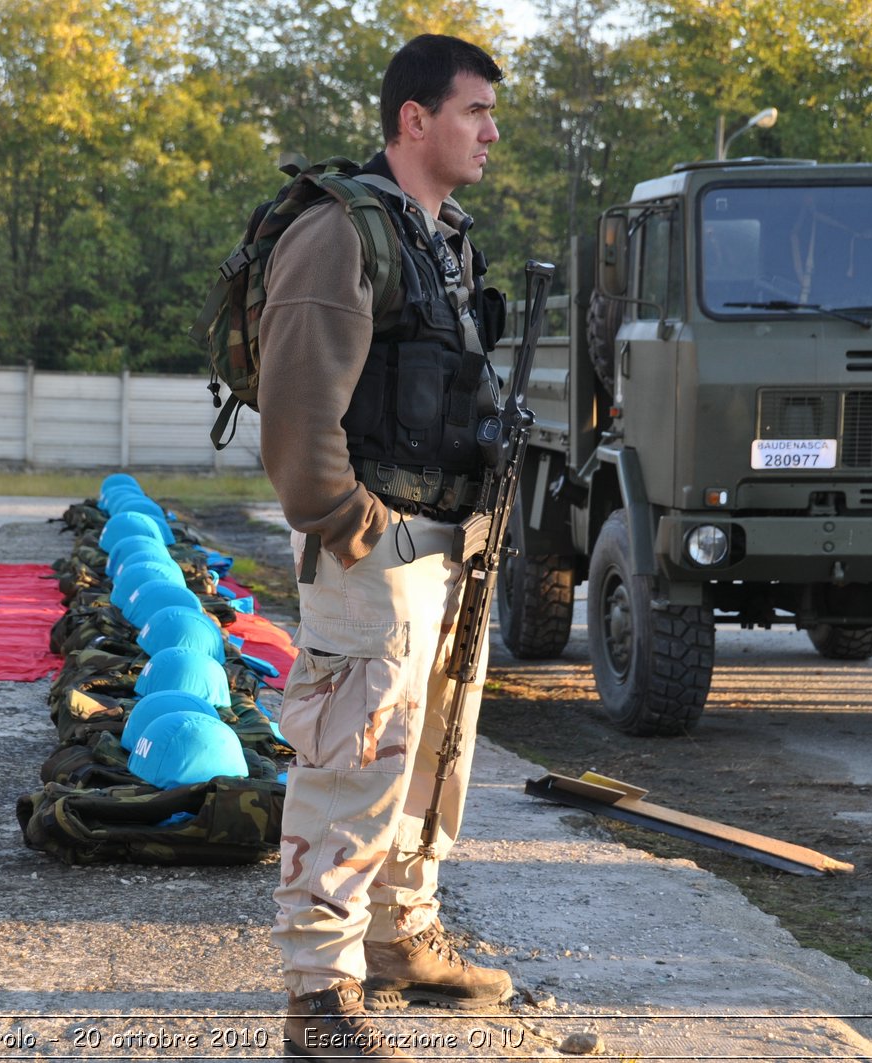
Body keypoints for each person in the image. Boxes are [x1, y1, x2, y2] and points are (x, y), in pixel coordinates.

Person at [257, 34, 514, 1060]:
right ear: (415, 119)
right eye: (474, 113)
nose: (490, 133)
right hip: (374, 547)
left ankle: (403, 934)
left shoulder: (441, 235)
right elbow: (297, 410)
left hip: (445, 542)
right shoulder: (341, 232)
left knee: (434, 756)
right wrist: (346, 522)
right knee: (351, 760)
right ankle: (319, 996)